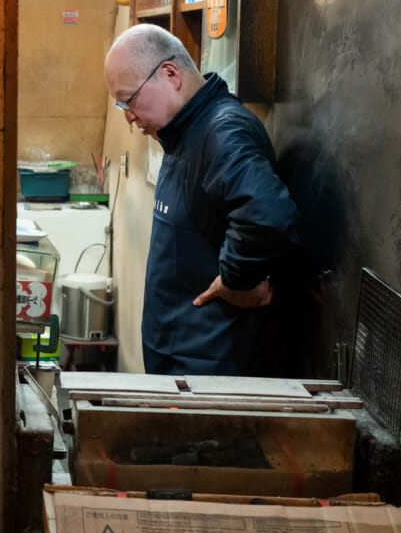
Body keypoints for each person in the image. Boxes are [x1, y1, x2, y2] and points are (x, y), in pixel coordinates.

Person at [103, 24, 299, 376]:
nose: (128, 117)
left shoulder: (223, 132)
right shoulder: (182, 132)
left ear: (171, 74)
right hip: (182, 364)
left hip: (213, 371)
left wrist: (234, 280)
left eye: (129, 100)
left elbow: (266, 215)